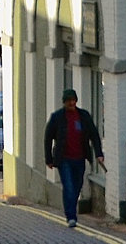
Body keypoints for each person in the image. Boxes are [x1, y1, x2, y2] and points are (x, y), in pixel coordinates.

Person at [43, 88, 106, 229]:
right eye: (69, 101)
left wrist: (99, 154)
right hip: (64, 159)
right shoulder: (57, 117)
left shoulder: (83, 116)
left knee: (77, 187)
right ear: (64, 102)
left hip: (79, 158)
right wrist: (49, 158)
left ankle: (71, 210)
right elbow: (47, 138)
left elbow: (94, 135)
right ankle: (71, 216)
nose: (71, 103)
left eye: (73, 100)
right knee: (69, 187)